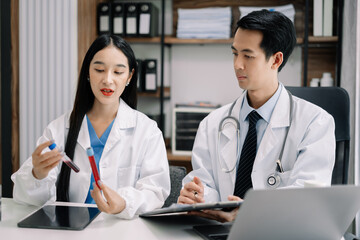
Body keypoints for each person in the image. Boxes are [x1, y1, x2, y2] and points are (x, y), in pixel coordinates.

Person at [178, 10, 335, 222]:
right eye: (235, 53)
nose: (237, 65)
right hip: (221, 231)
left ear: (276, 60)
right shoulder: (212, 124)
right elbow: (205, 184)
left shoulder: (315, 123)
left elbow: (307, 201)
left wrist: (252, 213)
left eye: (248, 56)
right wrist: (198, 195)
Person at [11, 34, 170, 219]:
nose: (108, 80)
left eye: (118, 72)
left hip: (121, 231)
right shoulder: (59, 129)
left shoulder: (147, 131)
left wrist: (124, 203)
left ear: (129, 76)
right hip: (71, 231)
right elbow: (25, 199)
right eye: (99, 69)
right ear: (88, 72)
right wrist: (37, 174)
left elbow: (156, 191)